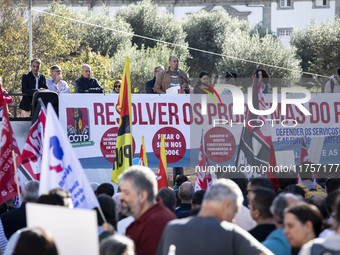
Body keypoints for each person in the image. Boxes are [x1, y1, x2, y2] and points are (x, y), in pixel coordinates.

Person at [156, 179, 274, 255]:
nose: (233, 219)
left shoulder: (172, 229)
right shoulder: (231, 233)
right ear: (226, 205)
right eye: (235, 210)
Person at [119, 166, 176, 255]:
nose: (121, 197)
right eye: (121, 192)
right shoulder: (149, 219)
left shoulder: (156, 223)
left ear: (142, 196)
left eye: (126, 193)